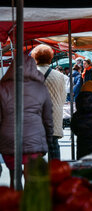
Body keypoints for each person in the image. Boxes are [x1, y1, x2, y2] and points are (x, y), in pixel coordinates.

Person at [0, 55, 53, 188]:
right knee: (32, 178)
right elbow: (48, 118)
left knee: (14, 177)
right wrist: (49, 138)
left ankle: (15, 203)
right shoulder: (41, 88)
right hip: (35, 136)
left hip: (9, 137)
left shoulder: (2, 88)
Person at [31, 44, 66, 160]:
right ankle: (56, 174)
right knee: (53, 148)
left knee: (35, 152)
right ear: (50, 58)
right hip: (53, 116)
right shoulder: (60, 76)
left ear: (35, 57)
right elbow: (63, 98)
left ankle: (35, 176)